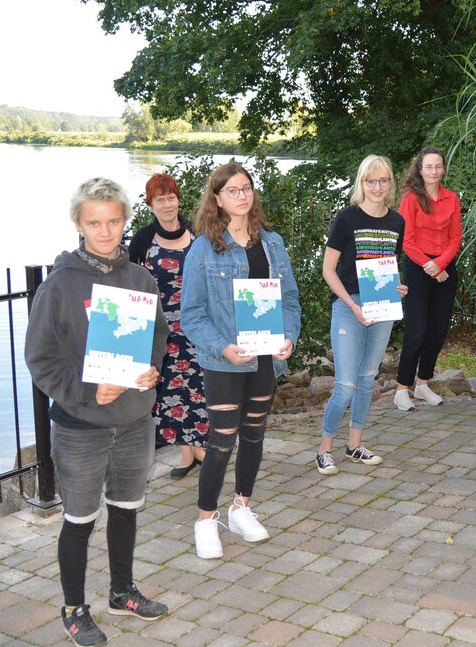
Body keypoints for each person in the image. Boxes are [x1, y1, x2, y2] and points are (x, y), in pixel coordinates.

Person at [25, 177, 171, 647]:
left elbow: (156, 337)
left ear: (125, 220)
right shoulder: (59, 286)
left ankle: (121, 592)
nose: (105, 232)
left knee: (126, 511)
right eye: (94, 223)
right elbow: (41, 360)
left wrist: (151, 369)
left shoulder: (140, 279)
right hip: (80, 427)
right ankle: (73, 608)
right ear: (78, 224)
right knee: (80, 520)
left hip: (133, 421)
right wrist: (89, 392)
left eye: (113, 221)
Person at [180, 162, 301, 559]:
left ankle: (241, 509)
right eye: (232, 190)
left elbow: (288, 300)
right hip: (225, 360)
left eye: (246, 188)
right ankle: (204, 520)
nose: (242, 196)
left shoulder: (272, 242)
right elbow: (192, 314)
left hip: (264, 358)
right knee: (221, 440)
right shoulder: (203, 248)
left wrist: (288, 337)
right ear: (216, 198)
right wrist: (221, 348)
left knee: (254, 435)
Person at [316, 155, 407, 474]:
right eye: (371, 181)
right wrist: (353, 305)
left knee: (367, 379)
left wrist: (397, 288)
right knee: (346, 385)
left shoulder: (397, 222)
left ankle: (354, 445)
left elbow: (387, 269)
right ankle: (324, 449)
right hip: (347, 305)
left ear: (391, 184)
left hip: (381, 309)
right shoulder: (346, 219)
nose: (377, 187)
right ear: (361, 183)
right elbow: (328, 270)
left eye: (384, 180)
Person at [128, 173, 207, 479]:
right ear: (150, 204)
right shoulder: (143, 239)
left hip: (195, 324)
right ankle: (188, 454)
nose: (166, 204)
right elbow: (130, 282)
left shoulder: (197, 233)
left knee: (198, 389)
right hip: (161, 331)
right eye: (159, 199)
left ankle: (197, 448)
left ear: (178, 200)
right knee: (170, 391)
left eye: (170, 197)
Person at [393, 147, 462, 411]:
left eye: (438, 166)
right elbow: (407, 241)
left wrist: (440, 264)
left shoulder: (451, 199)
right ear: (420, 170)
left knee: (437, 331)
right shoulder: (410, 199)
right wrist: (430, 266)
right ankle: (401, 389)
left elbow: (456, 237)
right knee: (417, 331)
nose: (434, 171)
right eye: (429, 167)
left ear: (443, 169)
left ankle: (422, 385)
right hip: (417, 268)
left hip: (444, 268)